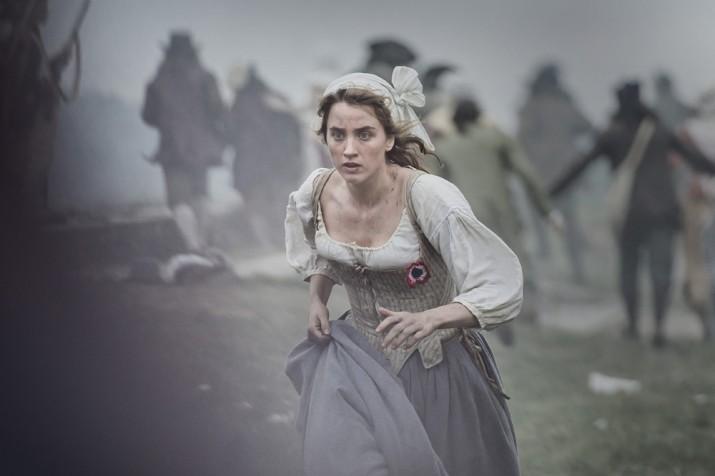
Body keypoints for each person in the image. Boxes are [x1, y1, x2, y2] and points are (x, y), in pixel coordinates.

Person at [284, 66, 522, 475]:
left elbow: (498, 283)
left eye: (364, 134)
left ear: (389, 138)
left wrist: (432, 318)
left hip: (435, 369)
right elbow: (323, 248)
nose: (348, 149)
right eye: (337, 135)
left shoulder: (428, 196)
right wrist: (317, 298)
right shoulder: (318, 190)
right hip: (355, 364)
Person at [551, 81, 715, 347]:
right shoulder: (660, 130)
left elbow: (581, 165)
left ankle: (633, 326)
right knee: (661, 272)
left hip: (628, 215)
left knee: (629, 270)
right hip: (663, 212)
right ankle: (659, 328)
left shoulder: (612, 134)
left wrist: (551, 191)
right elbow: (695, 159)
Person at [437, 96, 563, 345]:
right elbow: (527, 174)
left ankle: (488, 318)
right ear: (479, 116)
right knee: (516, 261)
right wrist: (547, 211)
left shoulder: (445, 147)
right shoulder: (497, 138)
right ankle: (526, 315)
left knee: (474, 269)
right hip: (501, 213)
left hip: (466, 216)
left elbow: (434, 185)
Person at [141, 31, 227, 253]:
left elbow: (148, 116)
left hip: (172, 149)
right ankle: (203, 244)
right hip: (201, 150)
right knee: (200, 195)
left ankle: (193, 245)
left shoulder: (158, 80)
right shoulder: (206, 77)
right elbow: (218, 109)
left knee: (179, 200)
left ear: (168, 52)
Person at [517, 63, 594, 283]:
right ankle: (577, 270)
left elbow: (522, 138)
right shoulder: (564, 104)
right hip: (566, 174)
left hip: (540, 174)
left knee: (540, 218)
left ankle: (547, 261)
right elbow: (586, 126)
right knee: (570, 223)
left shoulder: (532, 106)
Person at [678, 87, 715, 340]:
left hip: (699, 204)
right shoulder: (688, 131)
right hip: (700, 202)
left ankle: (708, 325)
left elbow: (676, 167)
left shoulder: (687, 131)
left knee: (699, 266)